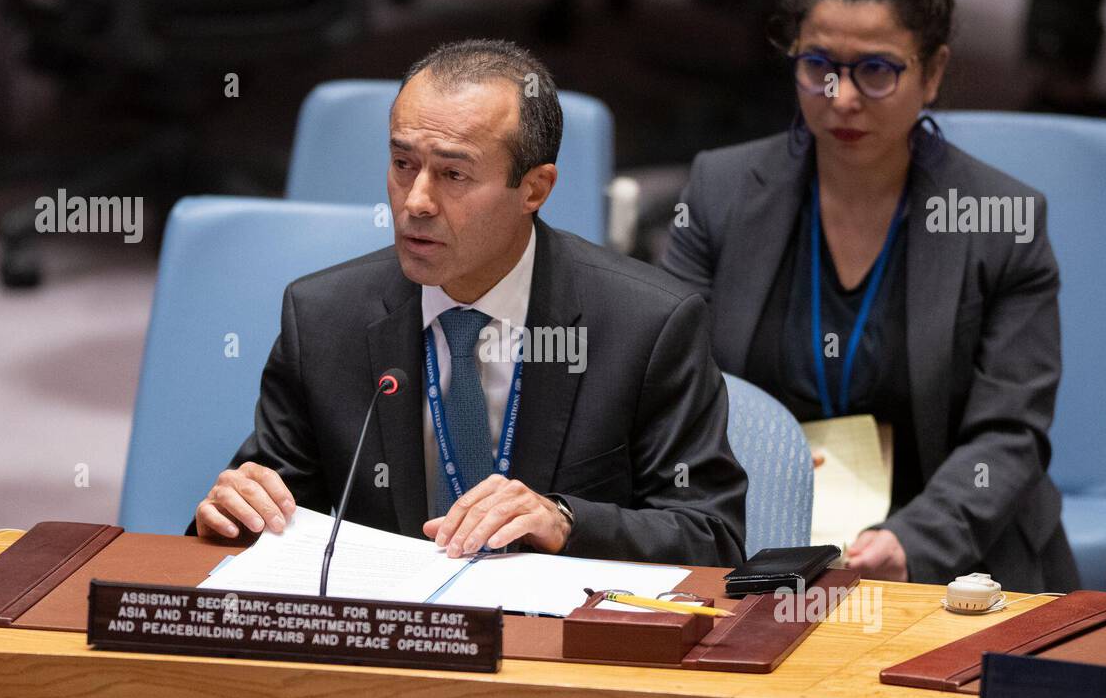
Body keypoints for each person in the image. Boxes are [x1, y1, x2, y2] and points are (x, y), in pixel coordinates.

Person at [191, 39, 747, 568]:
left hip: (555, 646)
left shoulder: (646, 325)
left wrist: (567, 523)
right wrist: (233, 515)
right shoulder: (323, 318)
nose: (416, 202)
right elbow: (271, 511)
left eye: (454, 174)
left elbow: (711, 536)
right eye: (403, 163)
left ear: (534, 188)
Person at [661, 0, 1079, 592]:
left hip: (957, 564)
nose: (843, 98)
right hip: (764, 548)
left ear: (933, 72)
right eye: (819, 66)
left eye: (877, 71)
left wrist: (914, 542)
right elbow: (673, 390)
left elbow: (1011, 436)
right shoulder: (720, 190)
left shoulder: (1004, 224)